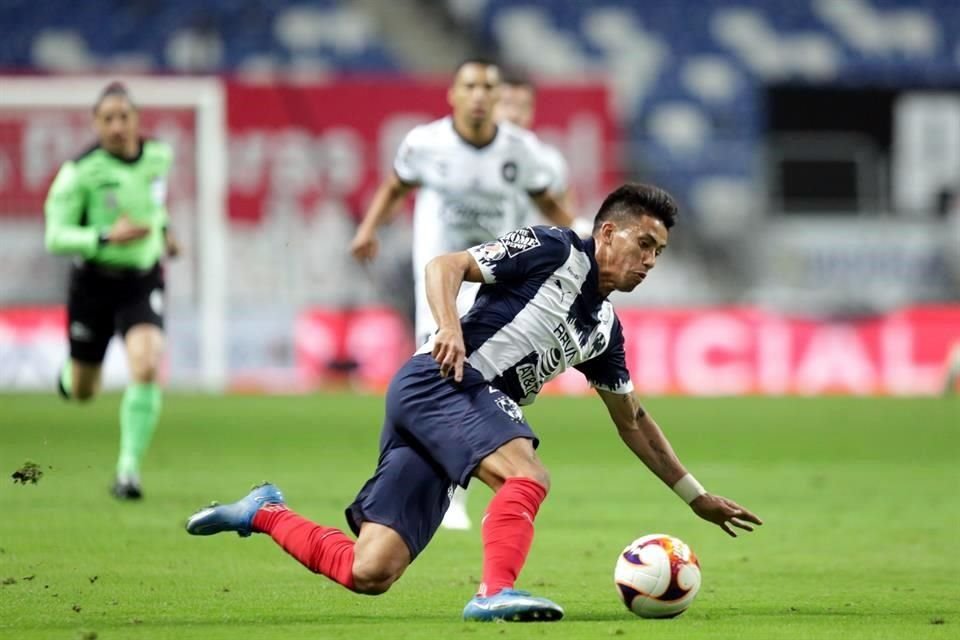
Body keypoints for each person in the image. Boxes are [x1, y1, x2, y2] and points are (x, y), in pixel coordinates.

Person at [186, 183, 762, 623]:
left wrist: (696, 497)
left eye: (658, 253)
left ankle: (262, 511)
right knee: (527, 475)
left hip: (457, 417)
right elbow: (446, 265)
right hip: (442, 380)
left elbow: (632, 420)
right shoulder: (553, 249)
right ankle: (494, 592)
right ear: (607, 232)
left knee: (371, 570)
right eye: (643, 244)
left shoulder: (604, 330)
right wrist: (448, 327)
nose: (650, 262)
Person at [350, 57, 581, 530]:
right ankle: (445, 496)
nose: (478, 95)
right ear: (453, 94)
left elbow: (553, 204)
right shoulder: (424, 143)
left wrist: (581, 250)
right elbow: (396, 187)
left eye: (487, 88)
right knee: (440, 378)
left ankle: (446, 485)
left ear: (499, 98)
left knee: (479, 387)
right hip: (439, 283)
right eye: (469, 86)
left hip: (494, 282)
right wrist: (370, 228)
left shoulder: (524, 152)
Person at [44, 82, 179, 500]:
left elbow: (152, 204)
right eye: (108, 119)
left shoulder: (159, 156)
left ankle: (127, 472)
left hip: (141, 280)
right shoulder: (79, 173)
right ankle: (71, 376)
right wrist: (104, 236)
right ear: (95, 124)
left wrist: (165, 231)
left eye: (124, 116)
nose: (118, 126)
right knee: (85, 390)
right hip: (93, 283)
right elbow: (55, 236)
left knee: (146, 361)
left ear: (137, 119)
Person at [494, 70, 575, 217]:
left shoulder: (551, 161)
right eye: (507, 104)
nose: (514, 115)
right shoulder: (472, 156)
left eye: (523, 106)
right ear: (492, 106)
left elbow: (567, 215)